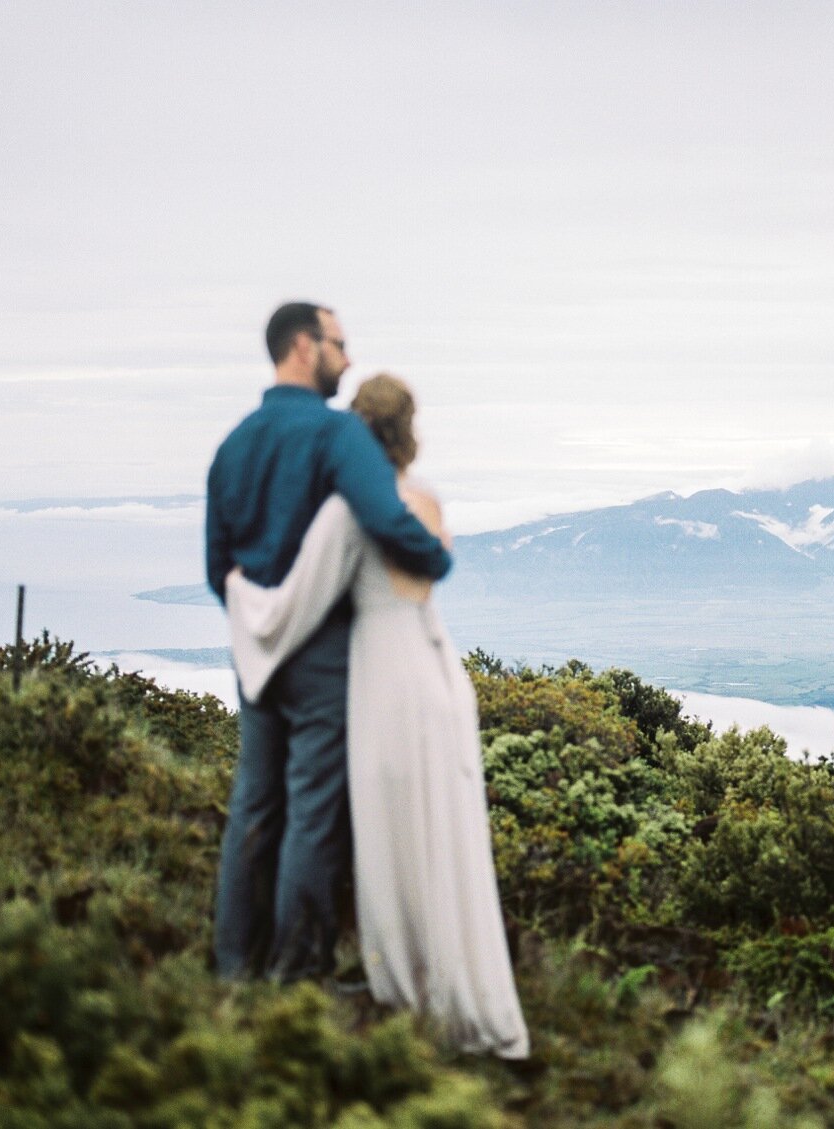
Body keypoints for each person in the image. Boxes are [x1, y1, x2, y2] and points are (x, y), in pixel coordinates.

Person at [225, 373, 530, 1058]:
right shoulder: (426, 500)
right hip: (441, 675)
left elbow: (296, 603)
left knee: (393, 837)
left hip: (385, 681)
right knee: (445, 834)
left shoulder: (346, 509)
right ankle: (464, 989)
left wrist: (243, 595)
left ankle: (406, 988)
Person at [205, 304, 452, 983]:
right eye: (339, 344)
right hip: (322, 653)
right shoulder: (337, 434)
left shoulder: (234, 445)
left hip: (255, 655)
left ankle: (233, 965)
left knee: (253, 803)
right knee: (313, 809)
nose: (347, 358)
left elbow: (215, 566)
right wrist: (435, 558)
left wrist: (261, 626)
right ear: (304, 347)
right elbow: (383, 517)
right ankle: (295, 970)